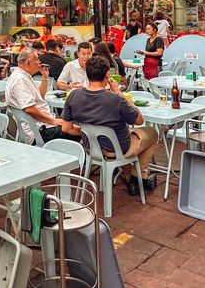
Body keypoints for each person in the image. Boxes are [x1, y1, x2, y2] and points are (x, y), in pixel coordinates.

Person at [61, 56, 158, 194]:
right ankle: (139, 177)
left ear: (87, 74)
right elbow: (139, 120)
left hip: (91, 147)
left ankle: (130, 175)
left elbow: (66, 128)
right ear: (107, 74)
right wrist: (118, 92)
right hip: (118, 148)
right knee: (152, 132)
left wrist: (89, 132)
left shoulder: (74, 95)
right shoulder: (115, 99)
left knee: (123, 132)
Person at [5, 47, 81, 144]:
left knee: (72, 123)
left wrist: (45, 77)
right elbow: (29, 109)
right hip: (39, 130)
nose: (40, 62)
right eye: (37, 59)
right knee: (78, 130)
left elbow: (39, 96)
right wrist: (52, 120)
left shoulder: (23, 75)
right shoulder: (20, 80)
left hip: (42, 123)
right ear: (28, 63)